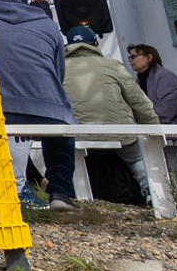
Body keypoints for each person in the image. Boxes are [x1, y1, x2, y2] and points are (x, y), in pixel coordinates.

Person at [0, 0, 77, 210]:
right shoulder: (45, 22)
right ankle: (61, 193)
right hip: (47, 107)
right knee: (62, 118)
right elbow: (58, 71)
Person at [60, 26, 160, 201]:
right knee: (137, 158)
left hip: (79, 134)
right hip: (119, 131)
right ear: (96, 43)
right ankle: (154, 193)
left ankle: (79, 199)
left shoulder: (59, 69)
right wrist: (154, 128)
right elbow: (138, 101)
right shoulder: (112, 65)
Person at [127, 44, 177, 125]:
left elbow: (165, 112)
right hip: (155, 129)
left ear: (149, 57)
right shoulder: (138, 80)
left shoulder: (166, 77)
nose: (130, 60)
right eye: (129, 57)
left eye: (133, 57)